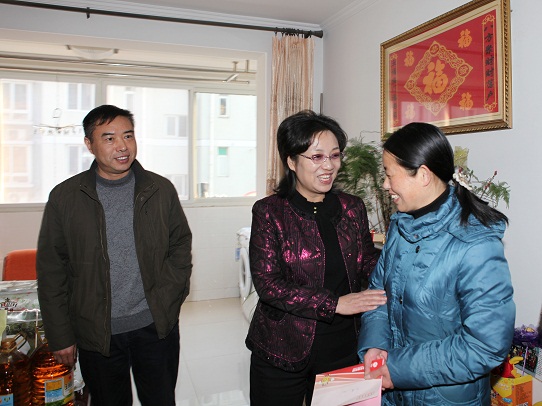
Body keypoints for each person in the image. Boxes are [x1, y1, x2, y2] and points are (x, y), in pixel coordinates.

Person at [36, 105, 192, 406]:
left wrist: (169, 296)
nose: (122, 146)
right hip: (97, 332)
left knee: (160, 400)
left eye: (128, 136)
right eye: (109, 138)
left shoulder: (160, 189)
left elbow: (180, 244)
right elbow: (52, 270)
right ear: (89, 144)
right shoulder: (66, 197)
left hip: (155, 327)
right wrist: (60, 335)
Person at [358, 122, 515, 405]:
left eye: (389, 175)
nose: (385, 185)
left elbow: (485, 346)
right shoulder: (400, 227)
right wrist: (375, 345)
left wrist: (399, 368)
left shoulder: (475, 246)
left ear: (423, 175)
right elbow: (378, 293)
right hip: (396, 393)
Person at [246, 110, 387, 405]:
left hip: (342, 346)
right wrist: (334, 304)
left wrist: (398, 271)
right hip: (281, 348)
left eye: (334, 156)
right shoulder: (269, 212)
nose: (329, 165)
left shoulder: (352, 207)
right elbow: (268, 284)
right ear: (291, 161)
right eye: (317, 157)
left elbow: (366, 262)